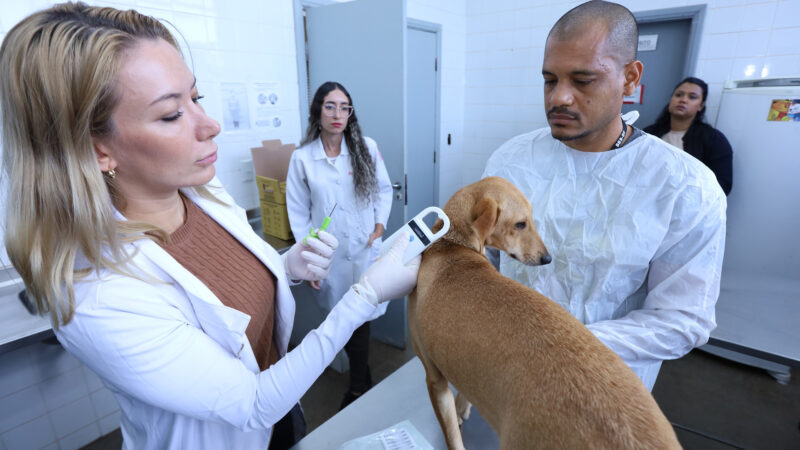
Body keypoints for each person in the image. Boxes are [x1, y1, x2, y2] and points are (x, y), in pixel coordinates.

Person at [0, 3, 418, 449]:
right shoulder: (98, 295)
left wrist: (287, 267)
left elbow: (225, 304)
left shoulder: (201, 191)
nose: (211, 125)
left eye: (195, 99)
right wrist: (365, 295)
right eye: (171, 114)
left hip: (283, 419)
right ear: (98, 150)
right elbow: (253, 402)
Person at [483, 0, 727, 392]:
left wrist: (558, 344)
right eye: (550, 80)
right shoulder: (511, 161)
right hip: (509, 373)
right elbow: (485, 261)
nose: (559, 98)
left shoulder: (684, 185)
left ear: (630, 78)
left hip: (609, 388)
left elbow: (682, 319)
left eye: (582, 81)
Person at [286, 82, 393, 410]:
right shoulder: (303, 158)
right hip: (328, 255)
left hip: (364, 248)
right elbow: (298, 212)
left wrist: (379, 224)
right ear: (318, 111)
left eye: (344, 107)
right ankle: (363, 377)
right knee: (340, 318)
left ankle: (358, 386)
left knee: (361, 316)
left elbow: (383, 189)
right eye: (330, 106)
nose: (337, 114)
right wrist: (309, 260)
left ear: (350, 113)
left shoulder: (366, 147)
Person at [644, 77, 733, 195]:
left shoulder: (714, 139)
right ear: (671, 99)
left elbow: (722, 186)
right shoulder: (649, 133)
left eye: (692, 97)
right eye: (679, 95)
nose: (683, 100)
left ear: (701, 106)